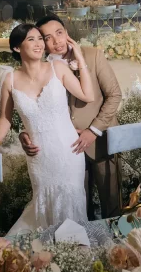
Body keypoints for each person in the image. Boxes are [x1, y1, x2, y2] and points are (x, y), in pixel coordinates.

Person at [0, 23, 95, 235]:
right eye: (31, 39)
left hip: (68, 152)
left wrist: (79, 58)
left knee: (71, 203)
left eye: (40, 39)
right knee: (43, 205)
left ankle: (75, 255)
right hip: (40, 159)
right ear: (16, 48)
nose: (39, 44)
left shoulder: (57, 68)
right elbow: (5, 118)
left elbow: (88, 96)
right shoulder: (10, 79)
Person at [25, 14, 122, 219]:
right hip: (67, 151)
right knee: (78, 208)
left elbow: (114, 95)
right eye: (48, 37)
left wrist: (93, 130)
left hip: (101, 142)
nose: (56, 41)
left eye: (59, 33)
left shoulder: (93, 55)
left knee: (112, 204)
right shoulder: (44, 69)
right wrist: (23, 133)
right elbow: (37, 109)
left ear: (67, 33)